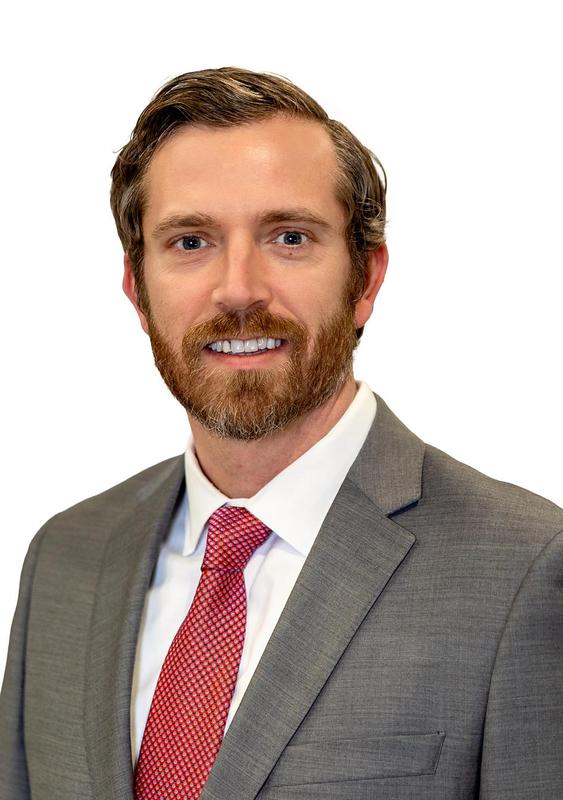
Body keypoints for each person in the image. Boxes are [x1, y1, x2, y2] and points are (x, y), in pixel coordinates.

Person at [1, 66, 562, 800]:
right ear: (138, 291)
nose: (237, 288)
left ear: (364, 280)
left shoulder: (525, 570)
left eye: (288, 236)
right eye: (190, 241)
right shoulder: (65, 559)